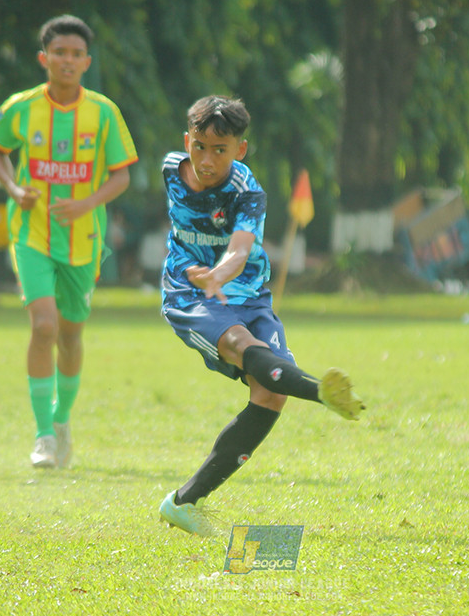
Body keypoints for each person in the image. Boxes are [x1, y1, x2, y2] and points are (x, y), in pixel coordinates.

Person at [156, 95, 365, 536]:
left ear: (241, 149)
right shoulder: (171, 169)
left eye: (220, 150)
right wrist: (202, 278)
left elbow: (239, 250)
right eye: (199, 147)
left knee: (271, 395)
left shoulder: (247, 192)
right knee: (239, 345)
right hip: (189, 294)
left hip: (248, 293)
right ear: (186, 141)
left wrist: (218, 274)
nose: (207, 160)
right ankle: (321, 392)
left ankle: (183, 503)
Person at [0, 14, 138, 468]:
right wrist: (15, 189)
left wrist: (86, 203)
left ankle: (62, 418)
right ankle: (43, 436)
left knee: (70, 335)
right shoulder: (22, 107)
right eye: (59, 53)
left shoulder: (103, 113)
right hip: (31, 234)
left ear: (87, 62)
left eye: (76, 54)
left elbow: (121, 176)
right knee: (44, 327)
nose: (67, 61)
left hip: (84, 241)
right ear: (43, 58)